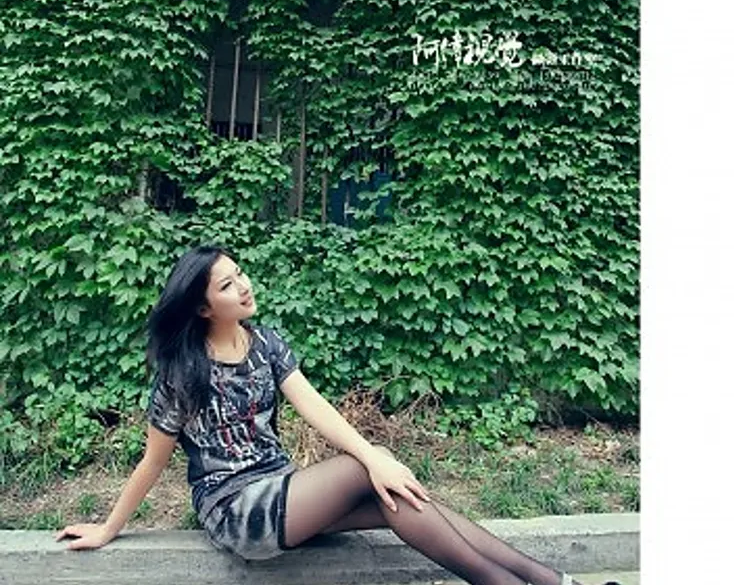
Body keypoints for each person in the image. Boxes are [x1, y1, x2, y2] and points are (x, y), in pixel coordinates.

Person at [54, 244, 587, 585]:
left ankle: (552, 581)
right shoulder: (182, 371)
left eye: (240, 273)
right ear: (202, 307)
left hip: (285, 490)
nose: (244, 285)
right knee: (366, 467)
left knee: (403, 496)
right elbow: (152, 462)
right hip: (236, 510)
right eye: (227, 285)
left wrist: (377, 462)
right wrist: (108, 528)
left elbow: (315, 408)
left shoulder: (265, 343)